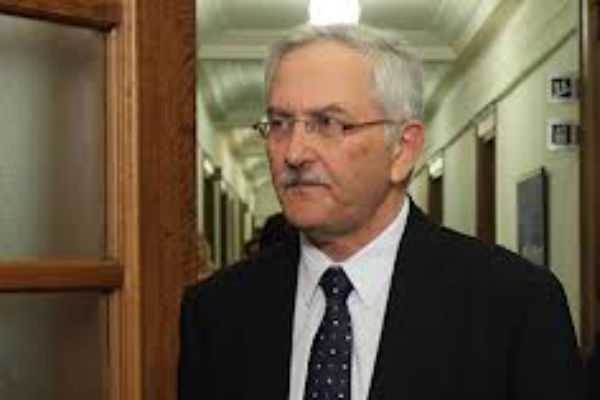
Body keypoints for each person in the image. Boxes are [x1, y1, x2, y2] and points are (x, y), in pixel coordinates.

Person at [178, 24, 584, 400]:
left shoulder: (515, 307)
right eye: (280, 123)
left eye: (328, 123)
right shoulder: (217, 311)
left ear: (402, 149)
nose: (294, 153)